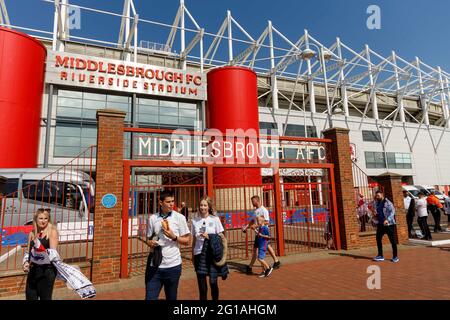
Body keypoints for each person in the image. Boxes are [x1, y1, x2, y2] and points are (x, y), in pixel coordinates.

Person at [145, 190, 190, 300]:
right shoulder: (153, 218)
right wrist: (150, 243)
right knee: (150, 297)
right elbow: (148, 238)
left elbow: (187, 240)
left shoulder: (180, 218)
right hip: (155, 265)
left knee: (171, 297)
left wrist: (174, 237)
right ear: (161, 203)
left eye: (173, 201)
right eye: (168, 202)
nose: (172, 204)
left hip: (173, 266)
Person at [191, 196, 228, 300]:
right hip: (199, 253)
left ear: (209, 207)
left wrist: (210, 237)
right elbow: (194, 240)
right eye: (201, 205)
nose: (203, 207)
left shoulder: (215, 219)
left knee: (213, 283)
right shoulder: (194, 221)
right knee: (202, 287)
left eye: (205, 205)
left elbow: (221, 237)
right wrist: (192, 255)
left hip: (211, 254)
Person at [22, 208, 59, 300]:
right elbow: (28, 252)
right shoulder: (32, 233)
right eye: (40, 218)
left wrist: (41, 253)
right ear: (35, 219)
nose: (43, 221)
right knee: (30, 296)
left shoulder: (52, 232)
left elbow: (53, 253)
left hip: (47, 271)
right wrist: (25, 262)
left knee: (45, 298)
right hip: (33, 270)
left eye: (45, 218)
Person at [243, 195, 281, 274]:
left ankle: (264, 268)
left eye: (253, 201)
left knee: (257, 250)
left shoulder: (264, 210)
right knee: (259, 249)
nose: (252, 203)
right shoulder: (256, 211)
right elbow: (252, 221)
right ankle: (274, 262)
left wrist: (256, 226)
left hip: (262, 232)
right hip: (258, 233)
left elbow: (267, 221)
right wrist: (246, 227)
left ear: (257, 201)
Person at [372, 191, 399, 263]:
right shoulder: (377, 203)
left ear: (382, 195)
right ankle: (380, 255)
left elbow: (392, 212)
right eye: (376, 196)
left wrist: (387, 220)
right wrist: (375, 216)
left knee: (392, 240)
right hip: (380, 224)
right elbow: (377, 212)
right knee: (378, 239)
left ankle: (395, 256)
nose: (377, 197)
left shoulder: (388, 203)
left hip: (389, 224)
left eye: (378, 195)